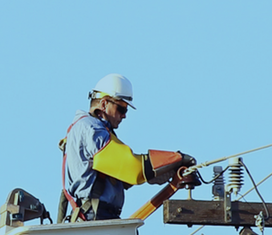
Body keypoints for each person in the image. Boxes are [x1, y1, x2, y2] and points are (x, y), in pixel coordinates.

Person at [60, 73, 195, 221]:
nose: (124, 116)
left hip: (99, 215)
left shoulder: (95, 129)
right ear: (104, 104)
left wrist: (168, 169)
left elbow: (125, 177)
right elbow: (132, 168)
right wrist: (177, 158)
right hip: (95, 216)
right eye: (121, 109)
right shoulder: (91, 129)